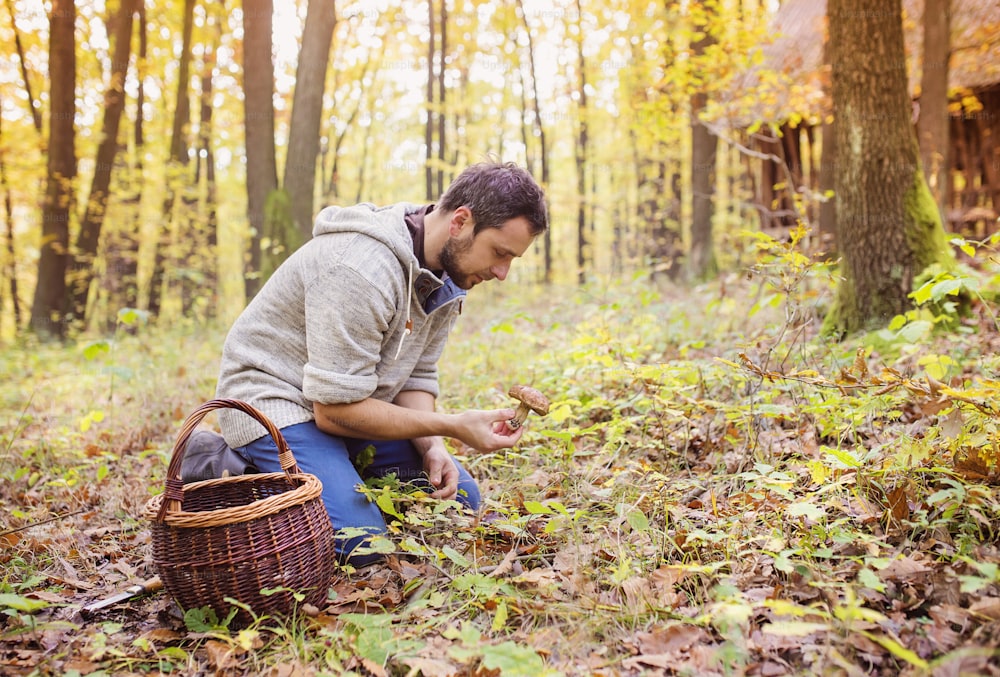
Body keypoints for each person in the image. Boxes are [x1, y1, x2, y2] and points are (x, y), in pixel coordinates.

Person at [182, 161, 548, 566]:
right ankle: (232, 469)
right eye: (499, 253)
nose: (502, 273)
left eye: (511, 259)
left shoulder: (451, 273)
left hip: (351, 405)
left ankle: (335, 471)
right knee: (363, 545)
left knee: (461, 499)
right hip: (276, 403)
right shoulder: (359, 269)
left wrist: (434, 446)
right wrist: (452, 424)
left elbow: (418, 375)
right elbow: (334, 410)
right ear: (461, 221)